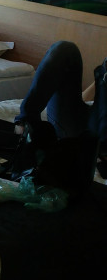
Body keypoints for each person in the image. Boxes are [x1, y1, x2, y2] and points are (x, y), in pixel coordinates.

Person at [14, 40, 106, 181]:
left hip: (98, 137)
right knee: (65, 49)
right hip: (90, 120)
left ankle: (102, 153)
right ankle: (25, 125)